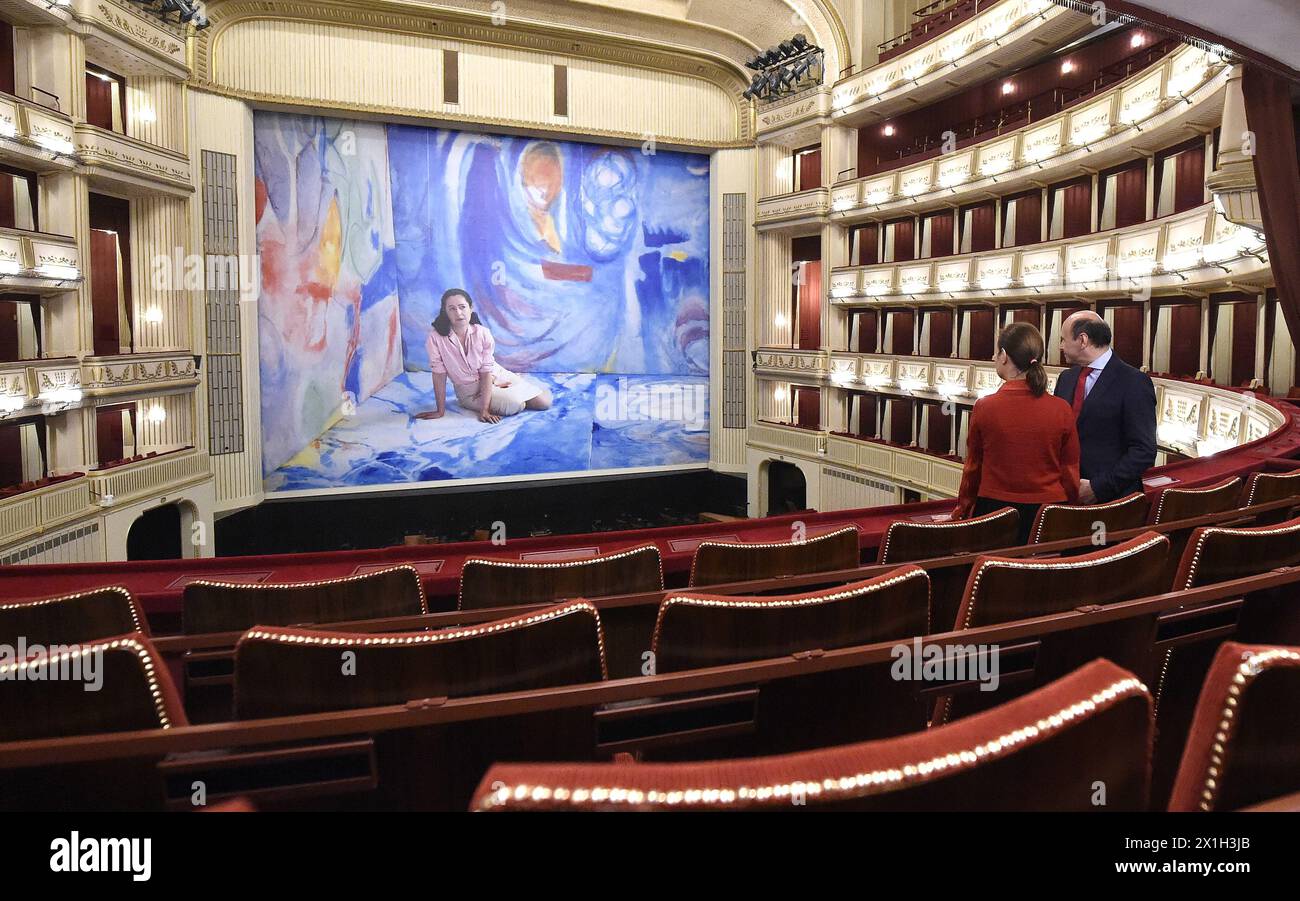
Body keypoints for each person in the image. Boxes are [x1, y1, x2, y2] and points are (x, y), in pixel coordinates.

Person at [955, 322, 1080, 545]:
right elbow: (1069, 471)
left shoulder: (985, 407)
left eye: (996, 352)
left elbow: (973, 467)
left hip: (994, 512)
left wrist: (963, 508)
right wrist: (1068, 509)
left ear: (1003, 355)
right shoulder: (1062, 409)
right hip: (1048, 513)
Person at [1053, 311, 1156, 503]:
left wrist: (1097, 487)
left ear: (1083, 340)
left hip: (1111, 502)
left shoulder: (1134, 382)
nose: (1060, 346)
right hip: (1064, 496)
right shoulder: (1066, 379)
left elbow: (1144, 451)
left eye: (1063, 339)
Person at [416, 288, 552, 424]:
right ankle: (510, 389)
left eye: (462, 307)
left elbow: (486, 372)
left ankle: (510, 386)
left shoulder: (482, 333)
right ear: (445, 312)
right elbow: (439, 375)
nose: (458, 313)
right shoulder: (435, 338)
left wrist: (484, 410)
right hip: (471, 392)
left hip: (494, 374)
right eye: (452, 309)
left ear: (471, 308)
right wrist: (440, 410)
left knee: (544, 403)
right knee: (515, 405)